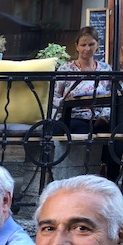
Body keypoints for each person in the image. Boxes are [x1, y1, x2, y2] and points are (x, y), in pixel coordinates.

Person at [53, 26, 120, 181]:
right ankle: (85, 177)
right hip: (73, 117)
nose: (87, 49)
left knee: (116, 135)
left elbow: (113, 96)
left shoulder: (105, 69)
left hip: (100, 118)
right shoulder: (66, 68)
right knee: (85, 133)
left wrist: (104, 116)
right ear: (76, 46)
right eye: (83, 45)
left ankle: (111, 178)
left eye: (91, 44)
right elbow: (55, 96)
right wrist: (67, 103)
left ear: (97, 45)